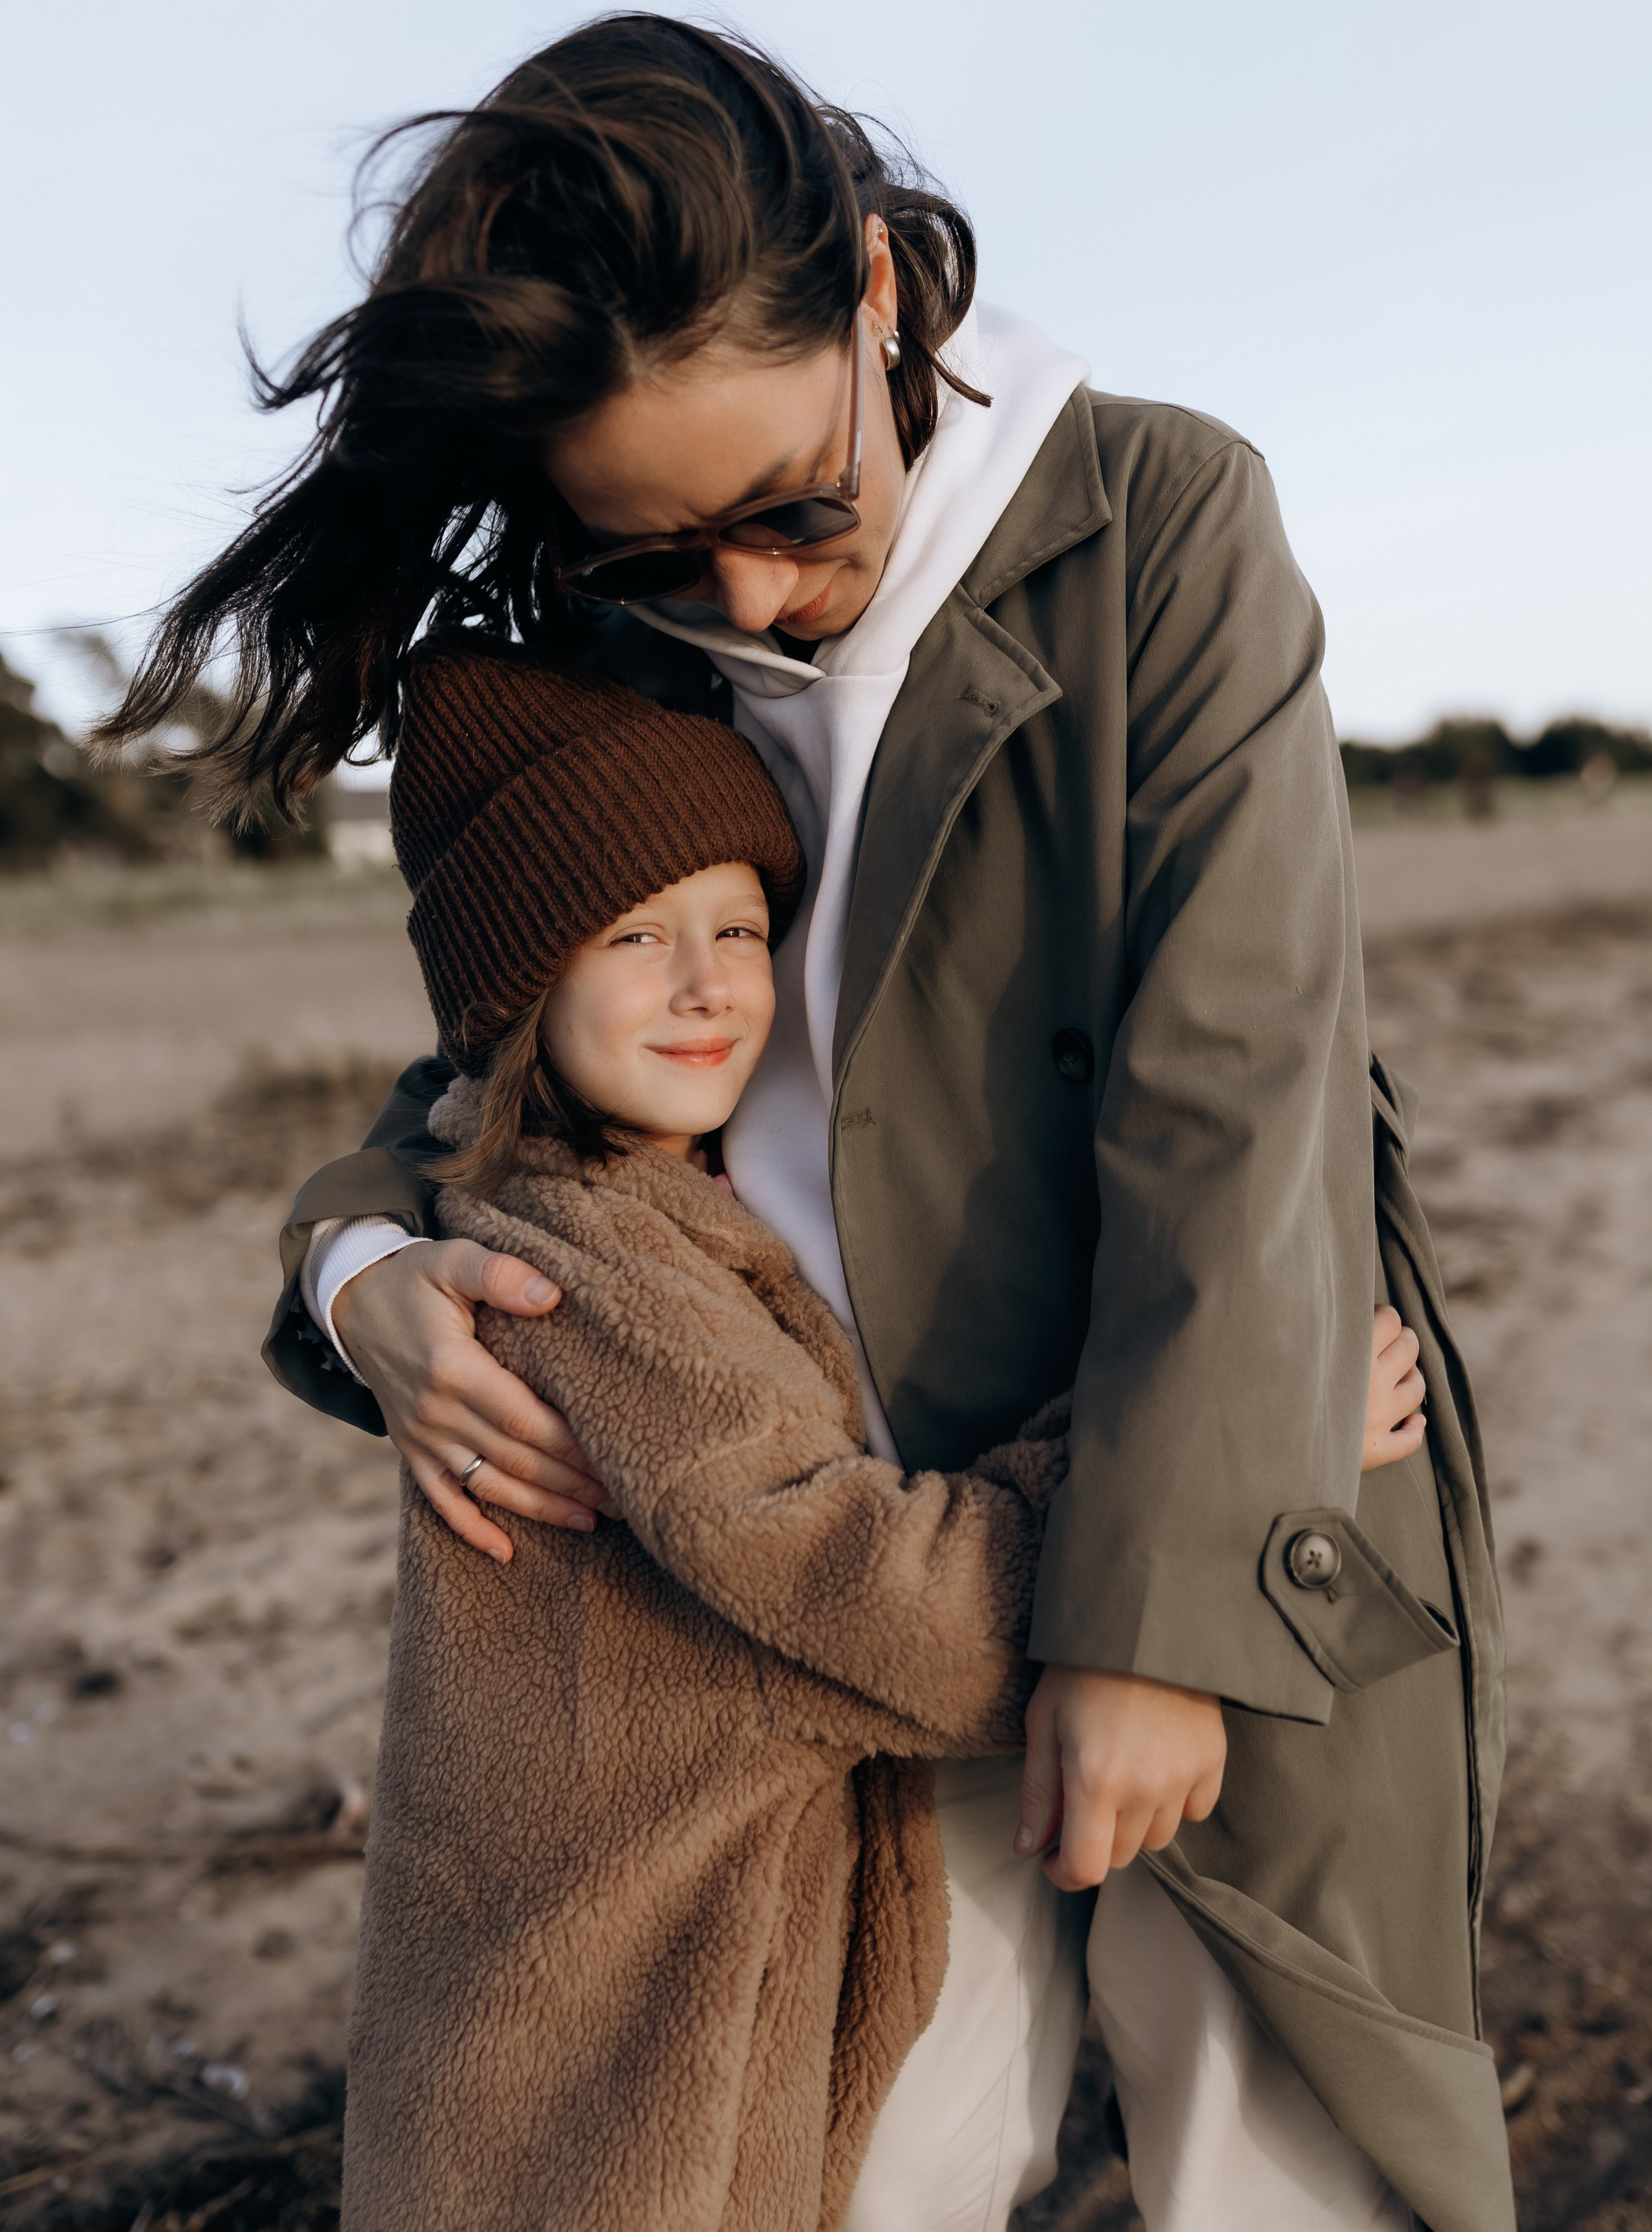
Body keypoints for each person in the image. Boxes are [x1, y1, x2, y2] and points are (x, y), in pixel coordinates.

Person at [100, 17, 1514, 2229]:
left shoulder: (1160, 514)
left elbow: (1242, 1084)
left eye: (790, 509)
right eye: (665, 554)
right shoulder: (627, 635)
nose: (748, 597)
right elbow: (491, 1070)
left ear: (873, 292)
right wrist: (357, 1267)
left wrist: (1153, 1629)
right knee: (859, 2169)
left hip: (1220, 1494)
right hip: (822, 1587)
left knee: (1292, 2160)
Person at [345, 634, 1442, 2232]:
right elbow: (894, 1600)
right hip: (626, 2061)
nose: (710, 981)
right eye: (635, 935)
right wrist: (1249, 1439)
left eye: (737, 925)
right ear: (516, 986)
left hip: (618, 1986)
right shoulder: (580, 1280)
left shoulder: (627, 1206)